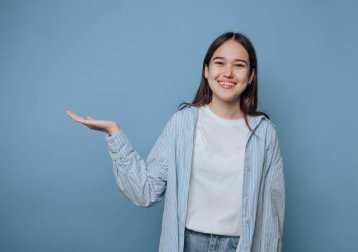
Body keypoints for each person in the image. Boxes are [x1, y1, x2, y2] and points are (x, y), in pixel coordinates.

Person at [66, 32, 285, 252]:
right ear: (206, 70)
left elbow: (270, 217)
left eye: (239, 65)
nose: (228, 73)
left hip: (240, 246)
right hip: (186, 244)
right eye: (220, 63)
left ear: (251, 76)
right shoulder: (182, 123)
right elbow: (146, 191)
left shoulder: (264, 133)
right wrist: (114, 132)